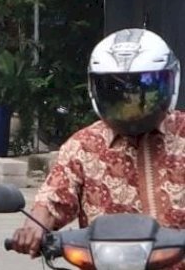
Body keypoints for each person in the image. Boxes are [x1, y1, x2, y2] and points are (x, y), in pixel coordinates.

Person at [10, 28, 185, 264]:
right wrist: (34, 227)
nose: (131, 108)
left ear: (170, 82)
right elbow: (53, 199)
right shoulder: (83, 146)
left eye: (144, 93)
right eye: (117, 96)